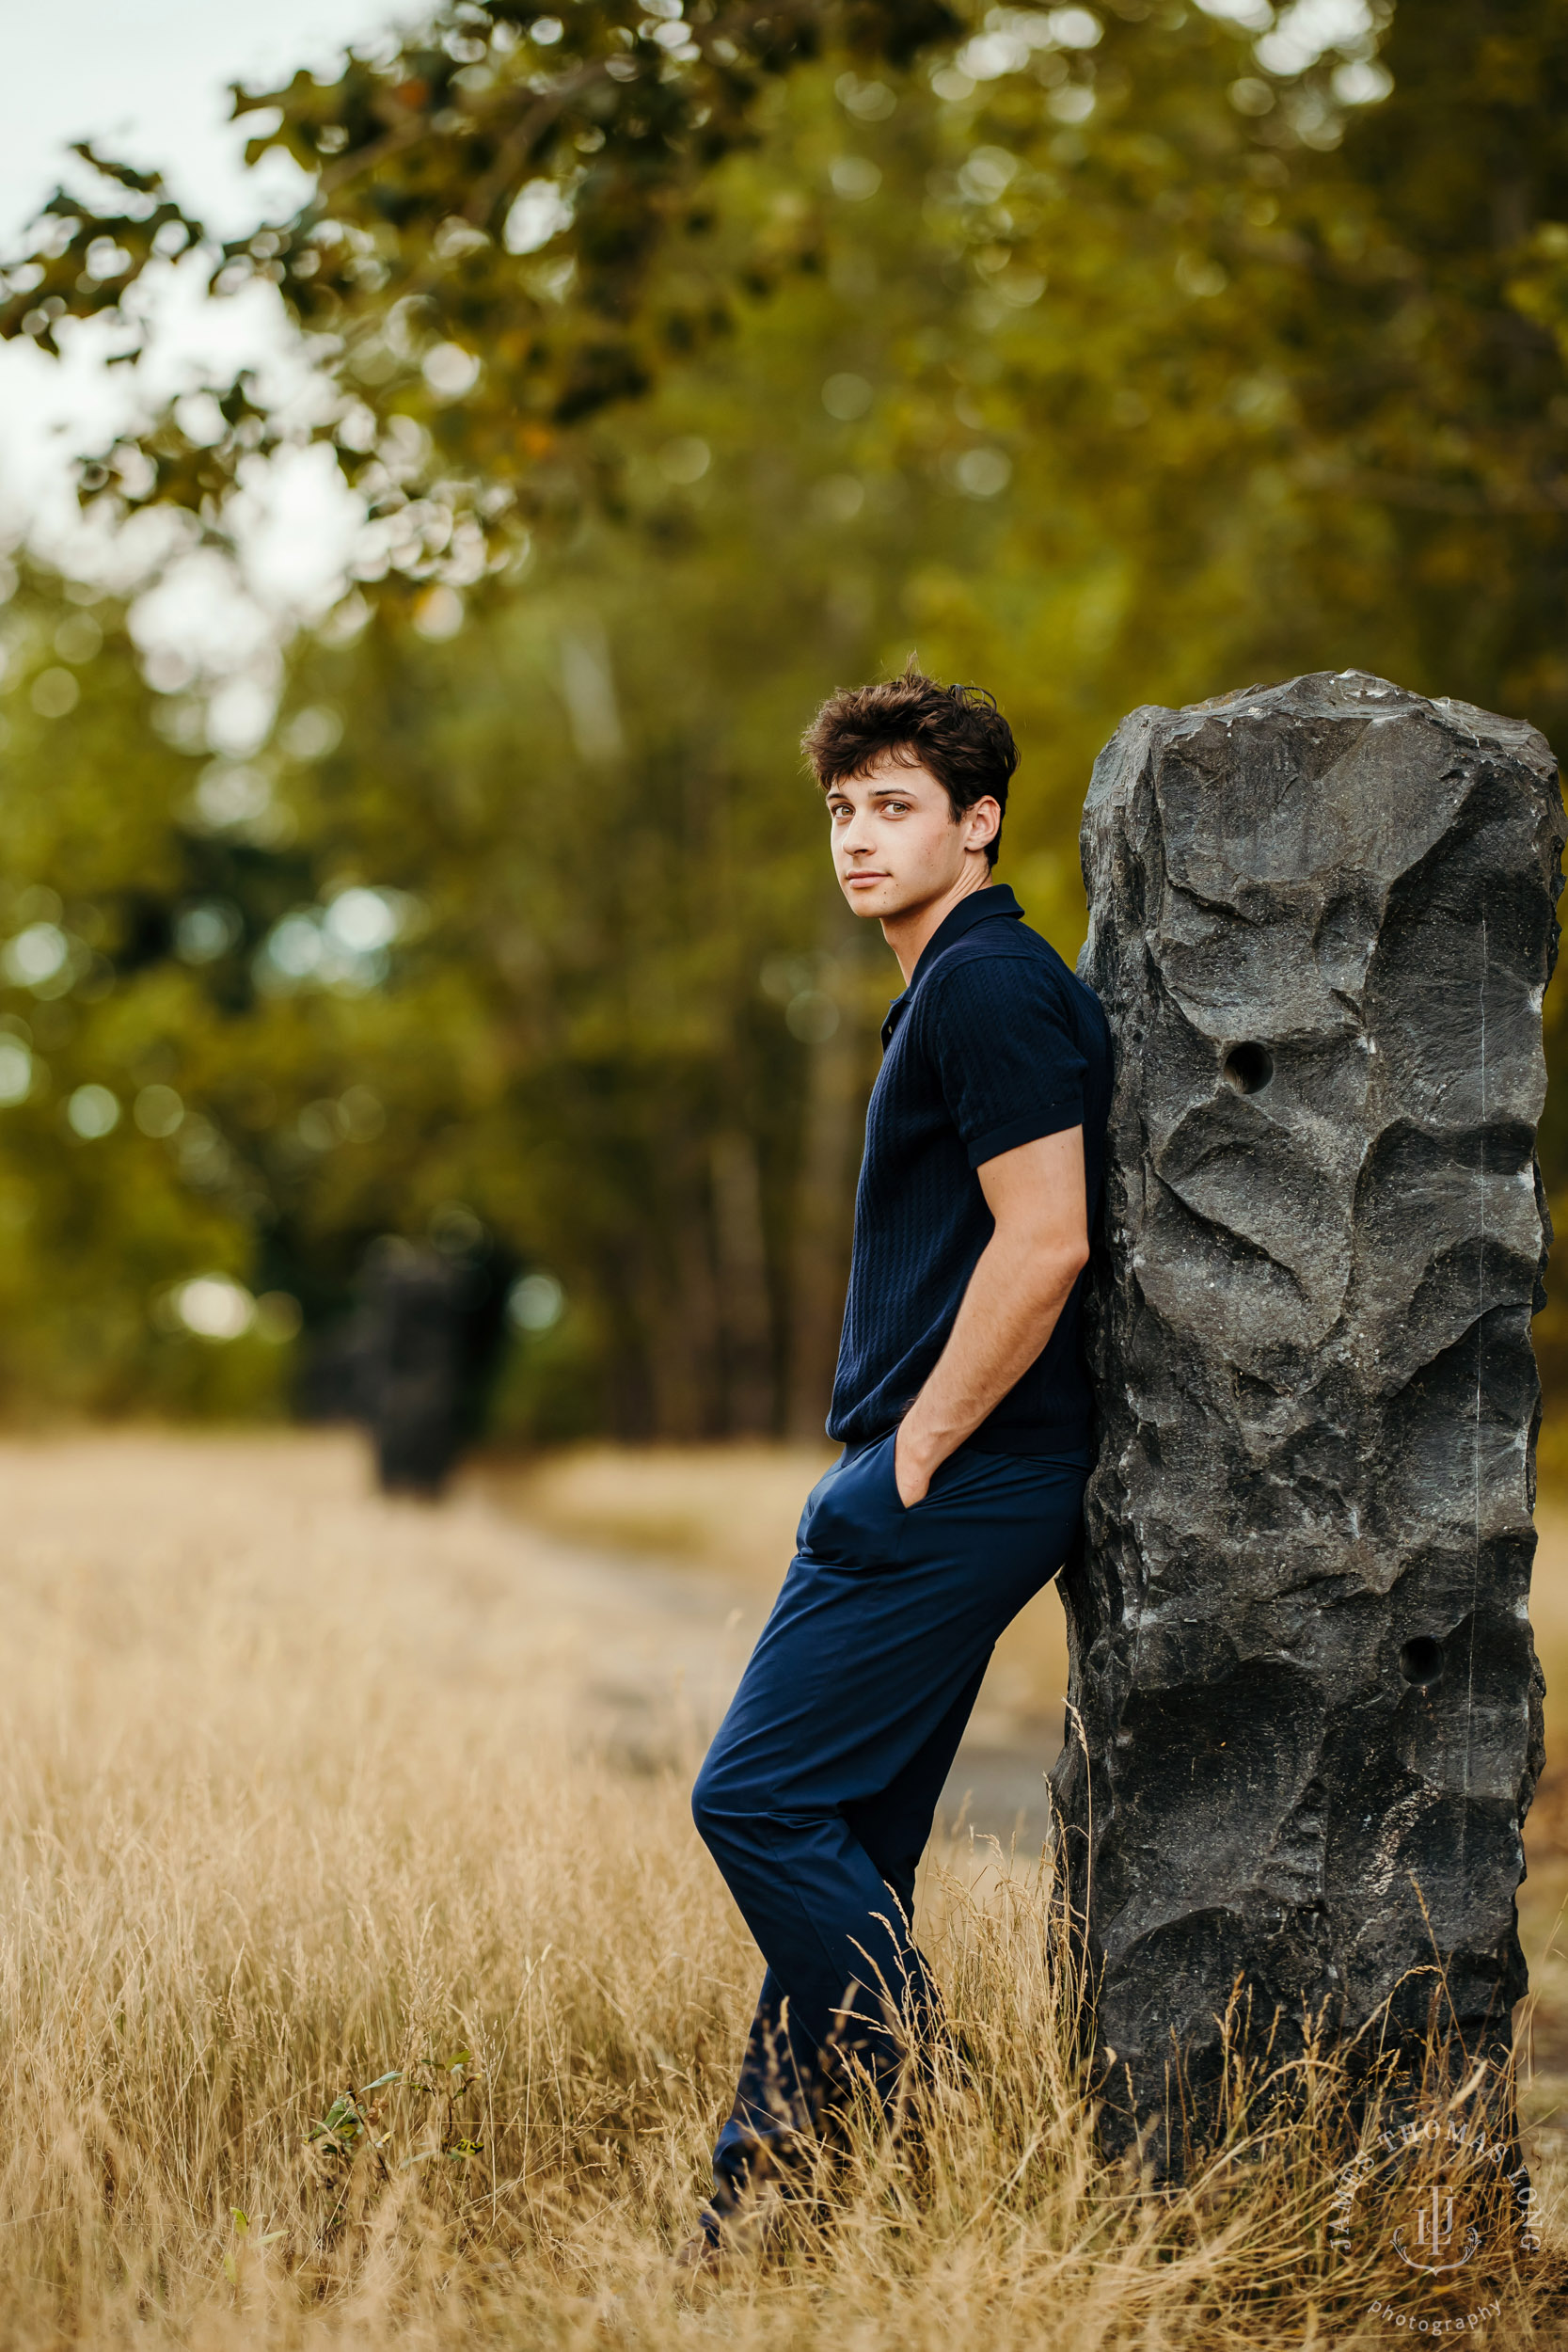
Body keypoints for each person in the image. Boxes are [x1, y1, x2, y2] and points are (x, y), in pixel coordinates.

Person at [684, 664, 1113, 2267]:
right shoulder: (945, 985)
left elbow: (1048, 1239)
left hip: (961, 1476)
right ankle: (760, 2214)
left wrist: (911, 1458)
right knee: (847, 1844)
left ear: (979, 822)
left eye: (897, 809)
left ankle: (934, 2113)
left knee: (757, 1802)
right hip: (958, 1472)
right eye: (843, 812)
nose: (859, 841)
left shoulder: (989, 987)